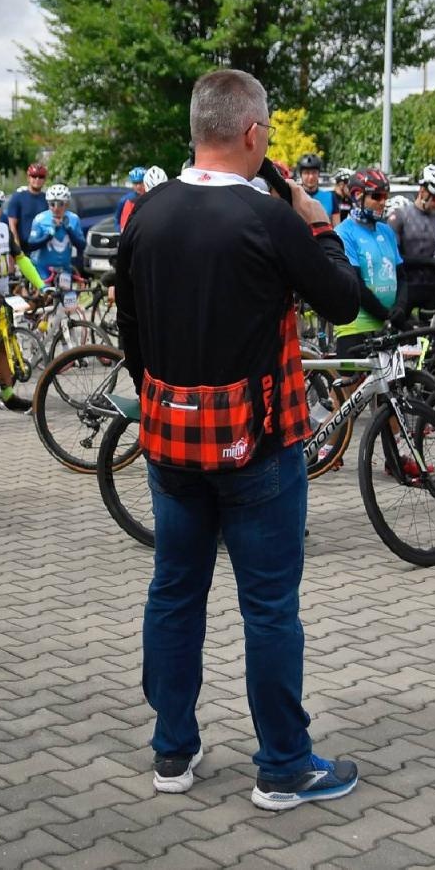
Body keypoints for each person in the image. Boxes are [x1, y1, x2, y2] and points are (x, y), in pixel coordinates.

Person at [115, 68, 362, 810]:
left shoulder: (147, 215)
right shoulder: (272, 220)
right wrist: (316, 220)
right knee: (269, 608)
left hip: (170, 441)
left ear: (197, 129)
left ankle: (172, 751)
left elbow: (129, 335)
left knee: (174, 592)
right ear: (254, 133)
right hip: (260, 443)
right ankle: (284, 765)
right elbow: (344, 302)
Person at [0, 183, 44, 412]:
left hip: (1, 297)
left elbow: (21, 259)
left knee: (3, 343)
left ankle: (7, 393)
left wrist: (42, 285)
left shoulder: (4, 229)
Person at [331, 168, 402, 356]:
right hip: (356, 326)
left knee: (392, 385)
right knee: (349, 385)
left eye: (385, 197)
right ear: (357, 196)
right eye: (377, 196)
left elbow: (401, 275)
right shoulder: (343, 233)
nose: (383, 202)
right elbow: (355, 284)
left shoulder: (386, 231)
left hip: (386, 322)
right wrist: (385, 314)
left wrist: (400, 308)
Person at [390, 164, 435, 323]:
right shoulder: (401, 216)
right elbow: (393, 258)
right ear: (422, 191)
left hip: (433, 287)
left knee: (433, 341)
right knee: (402, 339)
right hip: (405, 287)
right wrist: (431, 261)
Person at [25, 183, 86, 284]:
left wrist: (69, 230)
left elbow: (82, 245)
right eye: (52, 204)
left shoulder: (73, 219)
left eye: (60, 204)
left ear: (66, 204)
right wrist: (49, 235)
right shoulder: (40, 219)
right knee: (46, 296)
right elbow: (31, 245)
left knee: (67, 297)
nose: (56, 208)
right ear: (48, 204)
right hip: (43, 268)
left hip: (64, 268)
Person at [6, 161, 51, 245]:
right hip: (24, 248)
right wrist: (17, 249)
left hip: (43, 246)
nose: (37, 179)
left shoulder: (47, 199)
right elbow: (12, 225)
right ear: (28, 178)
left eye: (41, 176)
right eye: (34, 176)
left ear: (45, 179)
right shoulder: (18, 197)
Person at [116, 166, 147, 231]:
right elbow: (118, 221)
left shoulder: (152, 196)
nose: (138, 186)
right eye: (135, 183)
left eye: (141, 182)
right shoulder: (125, 200)